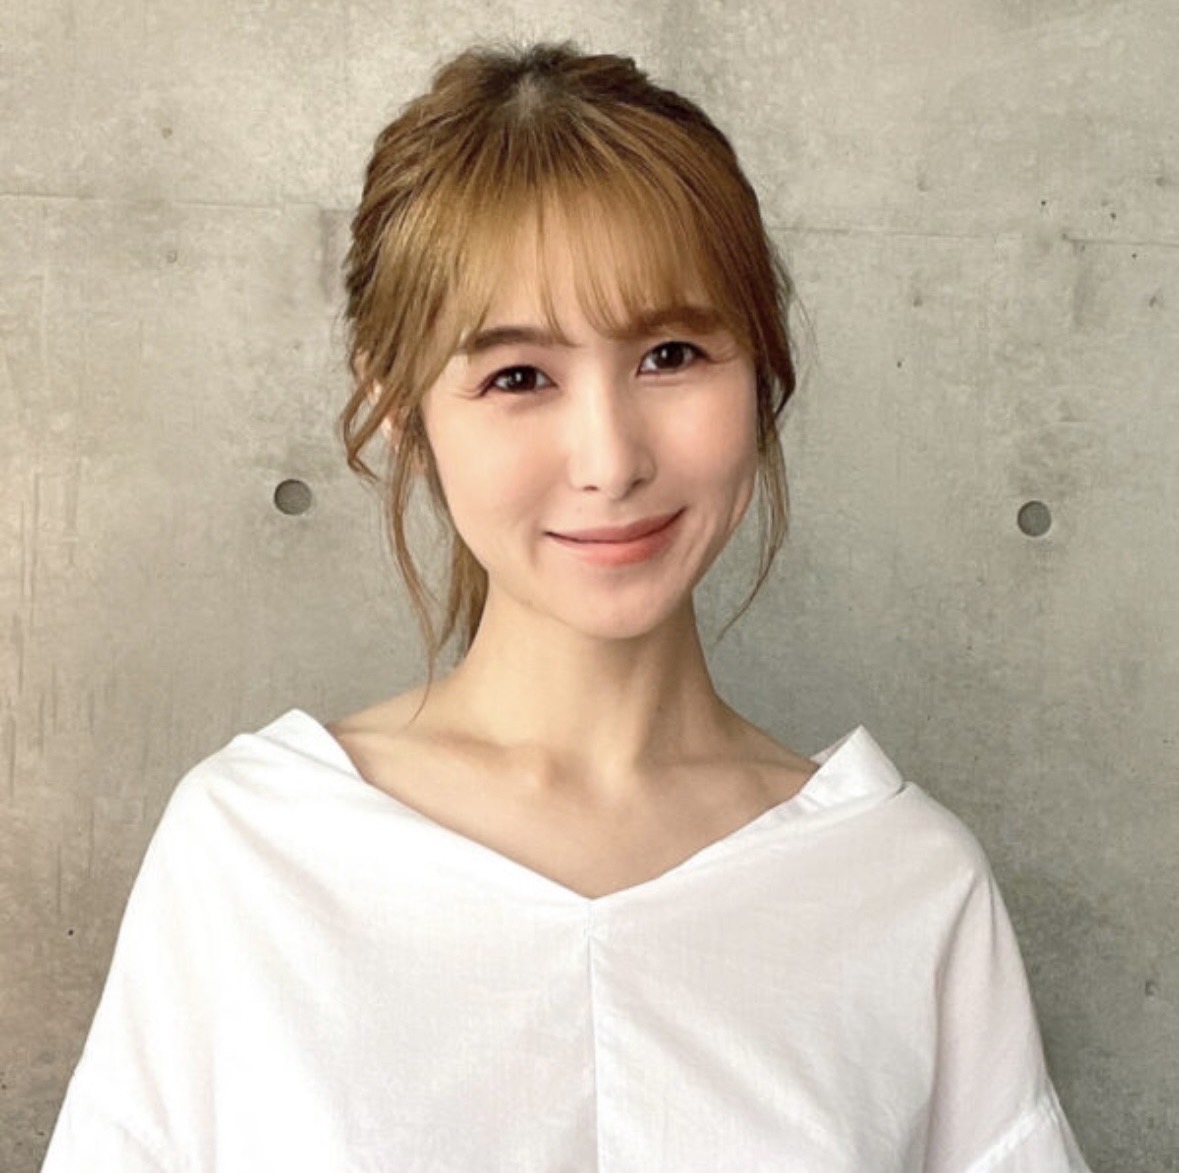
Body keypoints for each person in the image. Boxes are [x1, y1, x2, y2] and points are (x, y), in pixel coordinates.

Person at [42, 41, 1092, 1172]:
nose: (609, 460)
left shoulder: (903, 886)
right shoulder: (254, 852)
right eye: (517, 377)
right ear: (399, 412)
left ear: (761, 374)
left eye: (672, 354)